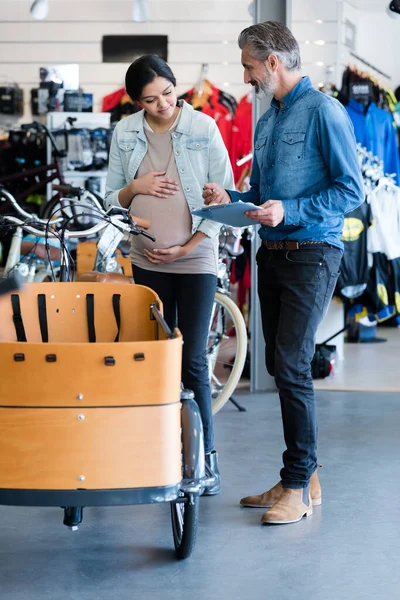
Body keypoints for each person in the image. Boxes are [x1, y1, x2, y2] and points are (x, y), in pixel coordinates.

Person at [203, 22, 364, 523]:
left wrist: (287, 211)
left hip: (314, 251)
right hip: (273, 253)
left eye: (249, 65)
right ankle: (303, 476)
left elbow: (350, 191)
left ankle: (296, 483)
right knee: (277, 364)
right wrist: (233, 199)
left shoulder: (325, 112)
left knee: (292, 363)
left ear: (273, 62)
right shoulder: (267, 118)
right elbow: (263, 195)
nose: (245, 75)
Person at [104, 55, 234, 495]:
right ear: (135, 102)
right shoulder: (124, 132)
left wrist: (188, 245)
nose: (162, 104)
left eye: (167, 93)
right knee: (154, 359)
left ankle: (205, 461)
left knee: (193, 358)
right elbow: (110, 198)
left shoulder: (204, 128)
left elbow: (225, 195)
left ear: (175, 85)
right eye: (149, 99)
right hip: (145, 260)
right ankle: (157, 455)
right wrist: (135, 189)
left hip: (195, 258)